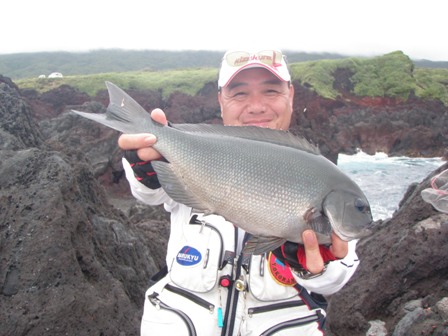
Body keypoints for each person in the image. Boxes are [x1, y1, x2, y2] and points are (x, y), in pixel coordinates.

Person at [118, 49, 360, 335]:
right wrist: (145, 166)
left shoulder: (327, 181)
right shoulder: (195, 149)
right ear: (221, 100)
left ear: (291, 95)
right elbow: (149, 194)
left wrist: (315, 267)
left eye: (270, 91)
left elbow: (335, 277)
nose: (256, 106)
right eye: (240, 93)